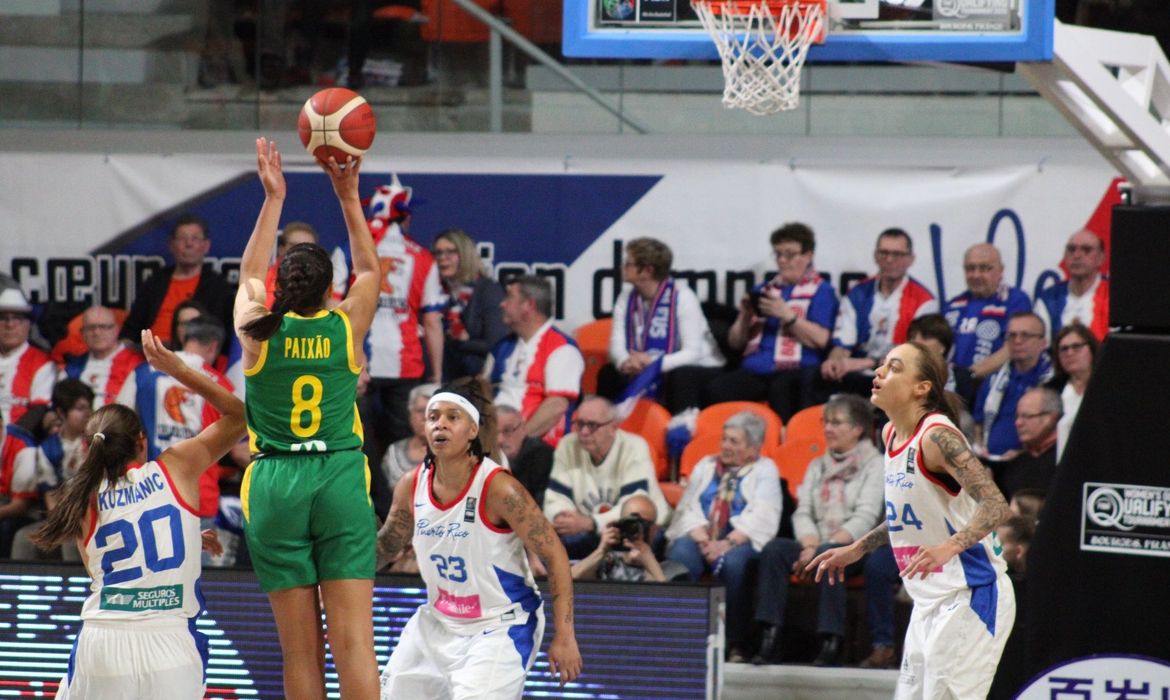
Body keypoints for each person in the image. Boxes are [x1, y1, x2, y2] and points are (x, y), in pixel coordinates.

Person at [233, 139, 382, 699]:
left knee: (300, 652)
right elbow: (368, 265)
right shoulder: (346, 325)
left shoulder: (255, 330)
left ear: (279, 286)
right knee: (354, 644)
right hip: (338, 475)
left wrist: (274, 198)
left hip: (275, 484)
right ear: (329, 290)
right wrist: (348, 195)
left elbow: (249, 270)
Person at [32, 329, 246, 698]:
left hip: (103, 642)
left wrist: (186, 536)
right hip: (169, 645)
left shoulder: (84, 497)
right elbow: (240, 416)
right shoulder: (176, 466)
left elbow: (108, 565)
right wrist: (176, 369)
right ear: (142, 441)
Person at [809, 342, 1015, 700]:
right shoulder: (890, 434)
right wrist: (858, 548)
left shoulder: (937, 436)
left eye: (894, 367)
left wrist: (948, 547)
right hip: (929, 601)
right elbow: (909, 518)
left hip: (972, 594)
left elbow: (997, 505)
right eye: (881, 366)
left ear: (922, 387)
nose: (878, 373)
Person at [374, 383, 582, 696]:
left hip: (500, 626)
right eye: (433, 417)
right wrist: (336, 583)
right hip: (438, 623)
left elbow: (555, 556)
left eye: (452, 417)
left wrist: (565, 635)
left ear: (472, 429)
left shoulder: (499, 489)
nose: (440, 423)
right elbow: (386, 547)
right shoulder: (410, 485)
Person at [752, 394, 884, 666]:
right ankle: (770, 634)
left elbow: (866, 517)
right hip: (816, 545)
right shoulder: (817, 464)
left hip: (856, 548)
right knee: (775, 549)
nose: (828, 429)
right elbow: (803, 512)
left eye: (837, 423)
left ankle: (830, 640)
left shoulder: (876, 465)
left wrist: (823, 549)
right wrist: (810, 546)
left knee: (829, 554)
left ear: (858, 429)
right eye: (827, 422)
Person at [665, 411, 783, 662]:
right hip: (702, 535)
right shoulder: (706, 465)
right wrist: (701, 539)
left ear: (753, 448)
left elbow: (764, 514)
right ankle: (681, 637)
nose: (725, 447)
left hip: (740, 540)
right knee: (680, 556)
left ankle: (735, 642)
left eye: (734, 442)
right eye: (724, 439)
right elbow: (688, 507)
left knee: (735, 564)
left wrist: (727, 543)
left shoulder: (765, 469)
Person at [704, 223, 838, 421]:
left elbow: (821, 340)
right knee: (716, 390)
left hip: (795, 369)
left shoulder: (822, 291)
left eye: (790, 254)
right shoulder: (765, 289)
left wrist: (787, 315)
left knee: (782, 389)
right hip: (756, 368)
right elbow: (736, 343)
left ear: (808, 255)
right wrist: (744, 316)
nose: (783, 261)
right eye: (778, 254)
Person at [116, 316, 234, 532]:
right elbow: (237, 440)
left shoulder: (142, 374)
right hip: (199, 496)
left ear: (184, 338)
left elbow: (116, 427)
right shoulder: (222, 386)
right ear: (213, 346)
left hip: (149, 491)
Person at [360, 173, 444, 471]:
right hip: (405, 363)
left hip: (359, 365)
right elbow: (432, 321)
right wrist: (437, 375)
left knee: (360, 445)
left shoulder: (351, 250)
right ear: (405, 218)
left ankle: (369, 510)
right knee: (407, 443)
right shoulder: (423, 258)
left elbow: (335, 310)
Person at [600, 237, 724, 413]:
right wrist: (625, 361)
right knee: (608, 373)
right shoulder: (626, 297)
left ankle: (679, 431)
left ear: (647, 271)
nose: (623, 267)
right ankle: (604, 425)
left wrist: (654, 362)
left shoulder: (682, 296)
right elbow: (616, 341)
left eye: (629, 264)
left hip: (700, 366)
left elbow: (692, 352)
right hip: (644, 361)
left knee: (680, 376)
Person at [542, 396, 671, 559]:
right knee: (546, 548)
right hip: (585, 532)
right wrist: (563, 519)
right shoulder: (568, 445)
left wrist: (591, 523)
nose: (584, 432)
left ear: (613, 427)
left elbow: (634, 509)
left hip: (639, 532)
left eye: (592, 425)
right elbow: (555, 498)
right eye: (580, 424)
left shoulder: (634, 446)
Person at [822, 228, 937, 398]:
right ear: (875, 256)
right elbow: (842, 345)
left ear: (910, 259)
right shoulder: (857, 294)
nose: (889, 260)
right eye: (884, 253)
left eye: (897, 255)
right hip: (859, 377)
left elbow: (916, 356)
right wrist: (835, 360)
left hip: (899, 377)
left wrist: (867, 363)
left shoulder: (924, 301)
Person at [483, 275, 584, 446]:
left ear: (529, 305)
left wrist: (518, 442)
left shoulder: (562, 348)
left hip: (535, 448)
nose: (502, 304)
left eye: (509, 297)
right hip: (492, 442)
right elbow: (481, 392)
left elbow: (556, 406)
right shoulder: (501, 347)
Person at [120, 213, 234, 351]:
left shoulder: (218, 287)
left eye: (195, 238)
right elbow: (131, 329)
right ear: (171, 245)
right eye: (182, 238)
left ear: (206, 246)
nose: (189, 244)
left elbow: (223, 336)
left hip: (191, 357)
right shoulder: (155, 282)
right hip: (148, 353)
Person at [9, 379, 94, 561]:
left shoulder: (98, 442)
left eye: (89, 408)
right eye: (80, 409)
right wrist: (65, 523)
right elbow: (51, 498)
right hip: (64, 517)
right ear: (60, 413)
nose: (87, 414)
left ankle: (84, 589)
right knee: (23, 539)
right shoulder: (48, 449)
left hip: (96, 514)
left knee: (73, 542)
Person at [942, 243, 1032, 407]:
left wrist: (969, 375)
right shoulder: (953, 305)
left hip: (995, 390)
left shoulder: (1015, 300)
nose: (976, 275)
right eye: (970, 268)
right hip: (953, 392)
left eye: (985, 268)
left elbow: (1013, 347)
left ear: (1001, 270)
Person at [972, 312, 1053, 461]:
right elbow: (978, 423)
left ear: (1043, 343)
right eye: (1012, 336)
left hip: (1034, 461)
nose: (1017, 341)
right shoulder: (993, 380)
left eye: (1025, 335)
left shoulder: (1052, 381)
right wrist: (979, 447)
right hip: (989, 461)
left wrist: (1022, 455)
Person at [431, 228, 508, 382]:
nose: (442, 258)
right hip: (442, 374)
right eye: (438, 253)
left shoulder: (488, 291)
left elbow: (497, 344)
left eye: (450, 252)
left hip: (476, 377)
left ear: (465, 255)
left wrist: (462, 342)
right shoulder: (435, 292)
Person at [572, 494, 686, 582]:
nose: (635, 529)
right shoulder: (605, 563)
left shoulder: (672, 569)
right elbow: (562, 585)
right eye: (629, 523)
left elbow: (672, 605)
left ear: (654, 530)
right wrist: (600, 552)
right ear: (620, 524)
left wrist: (649, 563)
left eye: (643, 523)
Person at [376, 382, 438, 518]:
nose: (425, 417)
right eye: (421, 410)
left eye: (432, 412)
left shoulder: (452, 453)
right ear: (410, 414)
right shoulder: (393, 452)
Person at [1034, 229, 1109, 341]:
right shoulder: (1048, 298)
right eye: (1071, 249)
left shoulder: (1113, 296)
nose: (1077, 255)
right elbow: (1038, 347)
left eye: (1086, 250)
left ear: (1101, 258)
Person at [60, 306, 144, 407]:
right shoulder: (71, 368)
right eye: (91, 328)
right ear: (82, 334)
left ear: (116, 330)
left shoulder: (138, 365)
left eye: (104, 327)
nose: (97, 333)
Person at [993, 387, 1061, 501]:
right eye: (1017, 416)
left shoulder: (1065, 458)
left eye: (1026, 416)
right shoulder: (1015, 464)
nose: (1018, 423)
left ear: (1050, 418)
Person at [0, 286, 55, 427]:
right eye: (3, 318)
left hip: (20, 443)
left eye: (17, 318)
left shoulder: (41, 363)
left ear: (28, 324)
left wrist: (9, 441)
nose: (10, 324)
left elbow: (39, 410)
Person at [1046, 322, 1097, 461]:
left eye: (1076, 347)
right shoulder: (1050, 389)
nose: (1069, 353)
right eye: (1064, 349)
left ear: (1091, 349)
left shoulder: (1107, 386)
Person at [497, 404, 554, 507]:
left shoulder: (543, 457)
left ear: (523, 428)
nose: (499, 440)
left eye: (508, 430)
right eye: (494, 432)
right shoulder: (483, 457)